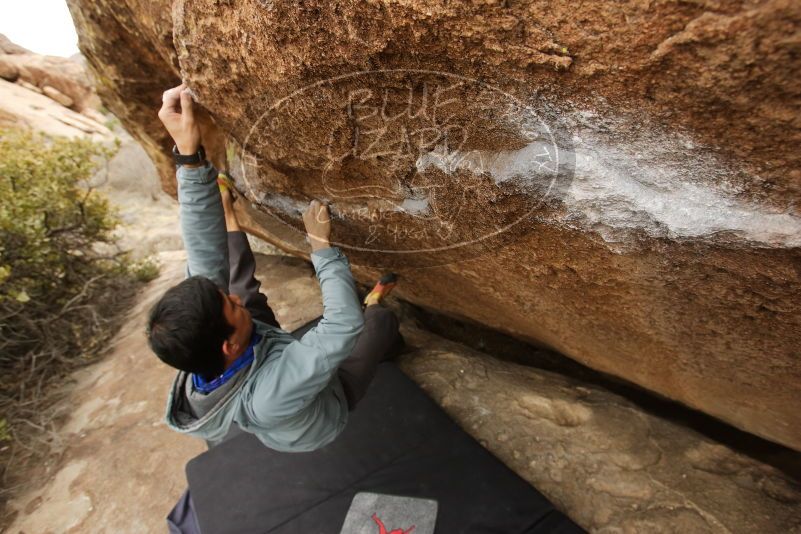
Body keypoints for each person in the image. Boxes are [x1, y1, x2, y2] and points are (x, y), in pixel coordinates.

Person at [147, 84, 403, 451]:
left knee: (242, 286)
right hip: (330, 402)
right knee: (374, 323)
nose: (232, 297)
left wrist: (189, 156)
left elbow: (204, 248)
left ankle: (228, 217)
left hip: (262, 354)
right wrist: (320, 246)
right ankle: (389, 339)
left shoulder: (200, 344)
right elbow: (341, 326)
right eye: (229, 307)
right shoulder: (270, 397)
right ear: (229, 345)